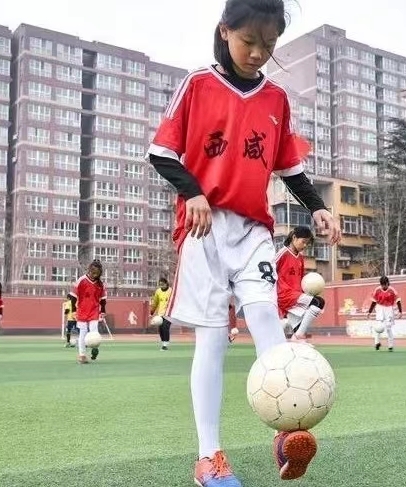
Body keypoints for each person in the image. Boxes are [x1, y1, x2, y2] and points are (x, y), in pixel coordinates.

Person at [146, 1, 341, 484]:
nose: (257, 53)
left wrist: (317, 205)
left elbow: (288, 166)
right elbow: (161, 152)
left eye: (268, 45)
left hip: (254, 230)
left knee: (266, 319)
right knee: (213, 337)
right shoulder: (197, 84)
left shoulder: (276, 99)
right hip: (203, 229)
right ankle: (208, 457)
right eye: (248, 41)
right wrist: (193, 192)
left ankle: (286, 434)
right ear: (225, 31)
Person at [275, 226, 324, 341]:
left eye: (307, 243)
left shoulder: (301, 258)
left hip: (296, 295)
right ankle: (298, 334)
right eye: (303, 242)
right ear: (294, 238)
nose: (305, 245)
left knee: (298, 328)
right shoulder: (283, 253)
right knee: (318, 302)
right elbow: (269, 270)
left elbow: (301, 279)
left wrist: (305, 293)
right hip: (285, 295)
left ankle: (294, 335)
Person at [67, 260, 107, 364]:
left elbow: (103, 299)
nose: (94, 275)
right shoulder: (81, 280)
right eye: (93, 273)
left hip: (94, 311)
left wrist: (102, 311)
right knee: (83, 333)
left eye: (97, 274)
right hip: (82, 311)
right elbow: (73, 297)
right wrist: (74, 311)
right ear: (89, 270)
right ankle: (82, 355)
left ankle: (94, 348)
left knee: (94, 332)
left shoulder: (100, 284)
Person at [366, 276, 402, 352]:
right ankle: (377, 343)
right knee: (378, 326)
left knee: (388, 327)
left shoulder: (392, 290)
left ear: (387, 283)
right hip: (379, 308)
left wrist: (400, 312)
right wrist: (369, 312)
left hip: (389, 309)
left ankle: (390, 346)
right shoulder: (377, 290)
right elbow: (374, 302)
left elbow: (398, 301)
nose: (383, 286)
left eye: (385, 285)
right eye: (382, 285)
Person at [150, 277, 173, 351]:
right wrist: (152, 311)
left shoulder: (171, 291)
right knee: (160, 329)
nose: (161, 286)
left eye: (163, 284)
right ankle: (163, 343)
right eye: (160, 284)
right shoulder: (158, 291)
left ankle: (165, 345)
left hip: (169, 313)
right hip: (160, 313)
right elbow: (155, 302)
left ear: (166, 284)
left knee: (165, 327)